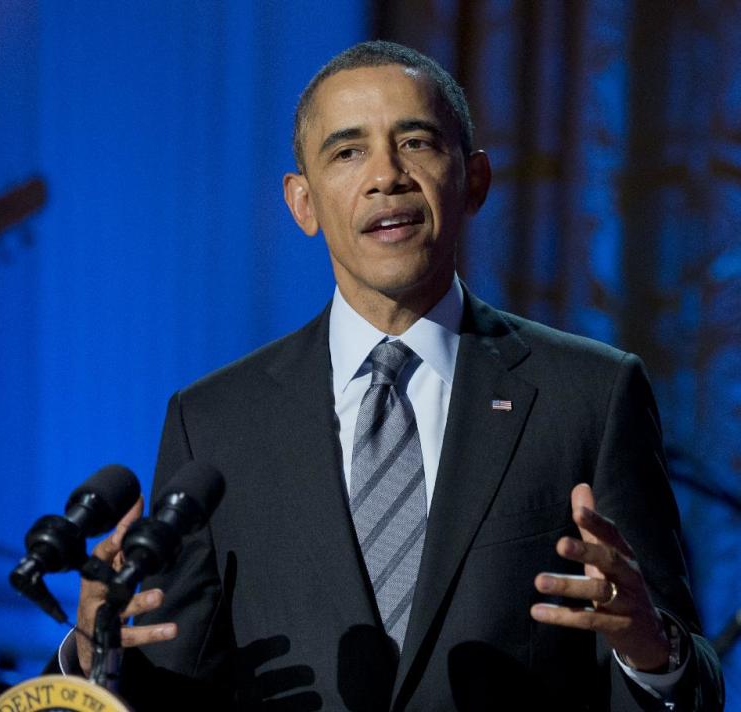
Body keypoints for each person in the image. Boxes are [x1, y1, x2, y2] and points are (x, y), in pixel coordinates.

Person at [52, 41, 724, 710]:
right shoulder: (215, 422)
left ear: (475, 180)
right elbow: (173, 682)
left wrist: (650, 648)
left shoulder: (590, 395)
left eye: (417, 143)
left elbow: (691, 687)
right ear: (303, 202)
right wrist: (93, 646)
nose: (386, 176)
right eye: (347, 152)